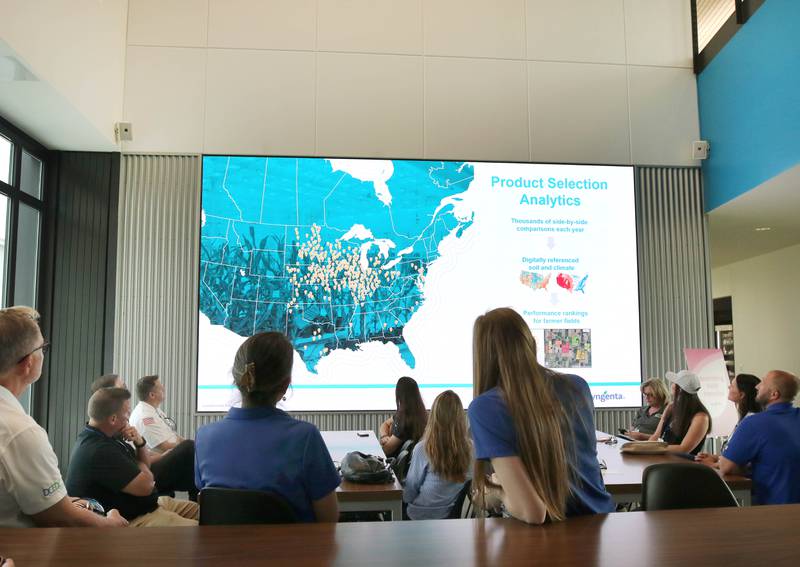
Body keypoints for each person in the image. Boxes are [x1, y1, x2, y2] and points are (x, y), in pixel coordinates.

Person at [467, 307, 613, 524]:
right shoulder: (577, 386)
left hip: (552, 541)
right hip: (603, 527)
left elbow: (532, 512)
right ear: (530, 343)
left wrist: (498, 491)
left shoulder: (485, 407)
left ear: (482, 355)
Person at [0, 306, 127, 528]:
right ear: (28, 363)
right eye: (43, 348)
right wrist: (113, 525)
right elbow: (61, 518)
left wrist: (66, 502)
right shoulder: (20, 432)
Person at [195, 332, 340, 522]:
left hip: (223, 551)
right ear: (286, 385)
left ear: (238, 380)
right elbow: (329, 521)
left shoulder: (204, 437)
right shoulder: (305, 438)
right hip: (294, 551)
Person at [65, 387, 199, 526]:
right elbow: (146, 485)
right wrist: (140, 465)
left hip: (149, 506)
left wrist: (139, 442)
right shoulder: (99, 450)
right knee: (199, 532)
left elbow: (145, 465)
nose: (129, 417)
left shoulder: (109, 436)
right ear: (113, 419)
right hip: (134, 519)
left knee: (207, 513)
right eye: (127, 412)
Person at [715, 370, 800, 504]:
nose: (757, 386)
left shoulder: (753, 423)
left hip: (772, 510)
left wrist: (746, 467)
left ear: (774, 394)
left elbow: (726, 467)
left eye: (763, 382)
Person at [403, 390, 472, 520]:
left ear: (433, 416)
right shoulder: (471, 449)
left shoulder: (423, 449)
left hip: (417, 518)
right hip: (451, 519)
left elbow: (409, 493)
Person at [129, 375, 198, 499]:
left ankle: (197, 504)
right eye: (161, 388)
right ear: (152, 395)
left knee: (193, 455)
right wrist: (188, 446)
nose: (164, 390)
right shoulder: (145, 416)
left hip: (165, 458)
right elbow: (163, 446)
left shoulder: (155, 411)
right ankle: (197, 506)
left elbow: (173, 435)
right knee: (190, 450)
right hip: (152, 464)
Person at [695, 373, 761, 468]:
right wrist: (715, 457)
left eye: (733, 385)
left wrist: (712, 464)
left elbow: (743, 462)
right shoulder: (746, 418)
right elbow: (738, 455)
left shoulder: (751, 421)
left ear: (742, 394)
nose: (728, 386)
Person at [648, 370, 710, 455]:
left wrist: (653, 448)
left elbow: (684, 449)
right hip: (663, 458)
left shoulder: (701, 418)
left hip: (683, 464)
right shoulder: (671, 407)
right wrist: (645, 448)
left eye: (674, 383)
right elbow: (656, 436)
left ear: (680, 389)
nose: (671, 385)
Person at [379, 376, 428, 458]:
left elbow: (385, 451)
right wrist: (385, 436)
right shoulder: (416, 413)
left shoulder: (405, 421)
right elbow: (385, 424)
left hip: (393, 466)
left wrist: (385, 441)